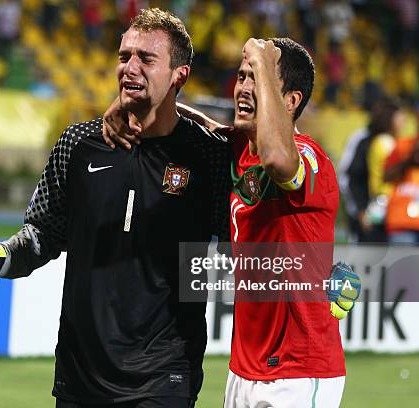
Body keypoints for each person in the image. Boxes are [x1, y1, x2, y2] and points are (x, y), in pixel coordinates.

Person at [0, 8, 232, 407]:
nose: (129, 68)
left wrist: (313, 278)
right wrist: (0, 255)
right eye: (124, 57)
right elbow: (43, 234)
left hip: (164, 377)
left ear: (180, 75)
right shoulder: (78, 143)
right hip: (79, 375)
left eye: (146, 59)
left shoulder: (207, 156)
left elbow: (248, 242)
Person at [103, 37, 359, 408]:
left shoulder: (309, 159)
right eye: (242, 76)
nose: (244, 87)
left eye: (257, 78)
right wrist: (128, 103)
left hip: (300, 371)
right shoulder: (239, 149)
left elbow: (278, 160)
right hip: (244, 370)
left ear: (290, 101)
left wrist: (261, 57)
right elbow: (191, 121)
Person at [339, 97, 404, 242]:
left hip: (391, 213)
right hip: (369, 213)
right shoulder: (362, 140)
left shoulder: (398, 143)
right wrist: (359, 210)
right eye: (400, 119)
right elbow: (351, 177)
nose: (403, 124)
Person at [384, 98, 419, 244]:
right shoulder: (403, 145)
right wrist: (409, 160)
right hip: (402, 221)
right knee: (403, 266)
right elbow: (387, 176)